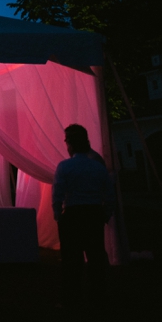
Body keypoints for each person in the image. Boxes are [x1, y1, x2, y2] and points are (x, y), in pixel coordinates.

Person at [52, 124, 114, 307]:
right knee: (95, 257)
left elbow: (57, 194)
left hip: (72, 214)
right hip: (94, 213)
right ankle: (98, 298)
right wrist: (105, 215)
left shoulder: (64, 166)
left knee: (71, 260)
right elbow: (109, 194)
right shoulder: (97, 166)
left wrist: (58, 215)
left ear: (69, 144)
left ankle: (71, 299)